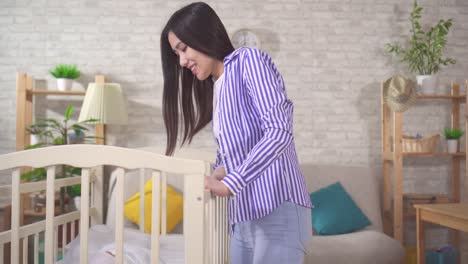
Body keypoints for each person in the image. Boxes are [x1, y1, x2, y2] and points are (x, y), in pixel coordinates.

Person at [160, 2, 312, 263]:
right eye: (177, 55)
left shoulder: (247, 61)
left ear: (203, 34)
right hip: (242, 218)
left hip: (277, 210)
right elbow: (235, 151)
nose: (182, 61)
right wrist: (219, 171)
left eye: (183, 49)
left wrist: (230, 183)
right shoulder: (216, 87)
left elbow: (278, 131)